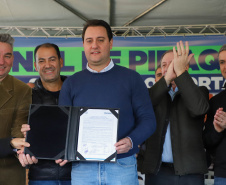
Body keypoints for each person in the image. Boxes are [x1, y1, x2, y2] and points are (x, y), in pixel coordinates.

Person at [58, 19, 156, 185]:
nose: (94, 45)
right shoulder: (71, 83)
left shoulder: (131, 78)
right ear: (83, 45)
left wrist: (131, 140)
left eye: (100, 40)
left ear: (111, 43)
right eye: (89, 41)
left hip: (122, 165)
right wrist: (62, 150)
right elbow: (62, 125)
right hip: (83, 168)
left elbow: (148, 120)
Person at [137, 41, 210, 185]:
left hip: (190, 173)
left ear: (185, 67)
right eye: (164, 65)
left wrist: (181, 73)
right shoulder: (151, 95)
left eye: (174, 63)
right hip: (158, 172)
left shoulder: (200, 91)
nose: (169, 68)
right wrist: (167, 78)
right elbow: (143, 106)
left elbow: (199, 109)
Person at [18, 43, 72, 185]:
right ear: (36, 66)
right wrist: (20, 147)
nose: (47, 65)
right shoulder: (27, 96)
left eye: (52, 59)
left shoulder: (77, 92)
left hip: (76, 175)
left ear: (61, 62)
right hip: (40, 177)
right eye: (41, 61)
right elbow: (16, 133)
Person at [0, 33, 32, 185]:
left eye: (7, 56)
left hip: (8, 174)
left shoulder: (22, 90)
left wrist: (18, 146)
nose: (1, 61)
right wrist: (10, 143)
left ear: (13, 59)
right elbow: (13, 141)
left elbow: (18, 132)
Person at [203, 44, 226, 185]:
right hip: (223, 175)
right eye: (222, 62)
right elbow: (207, 141)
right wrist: (217, 130)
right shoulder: (216, 101)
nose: (225, 66)